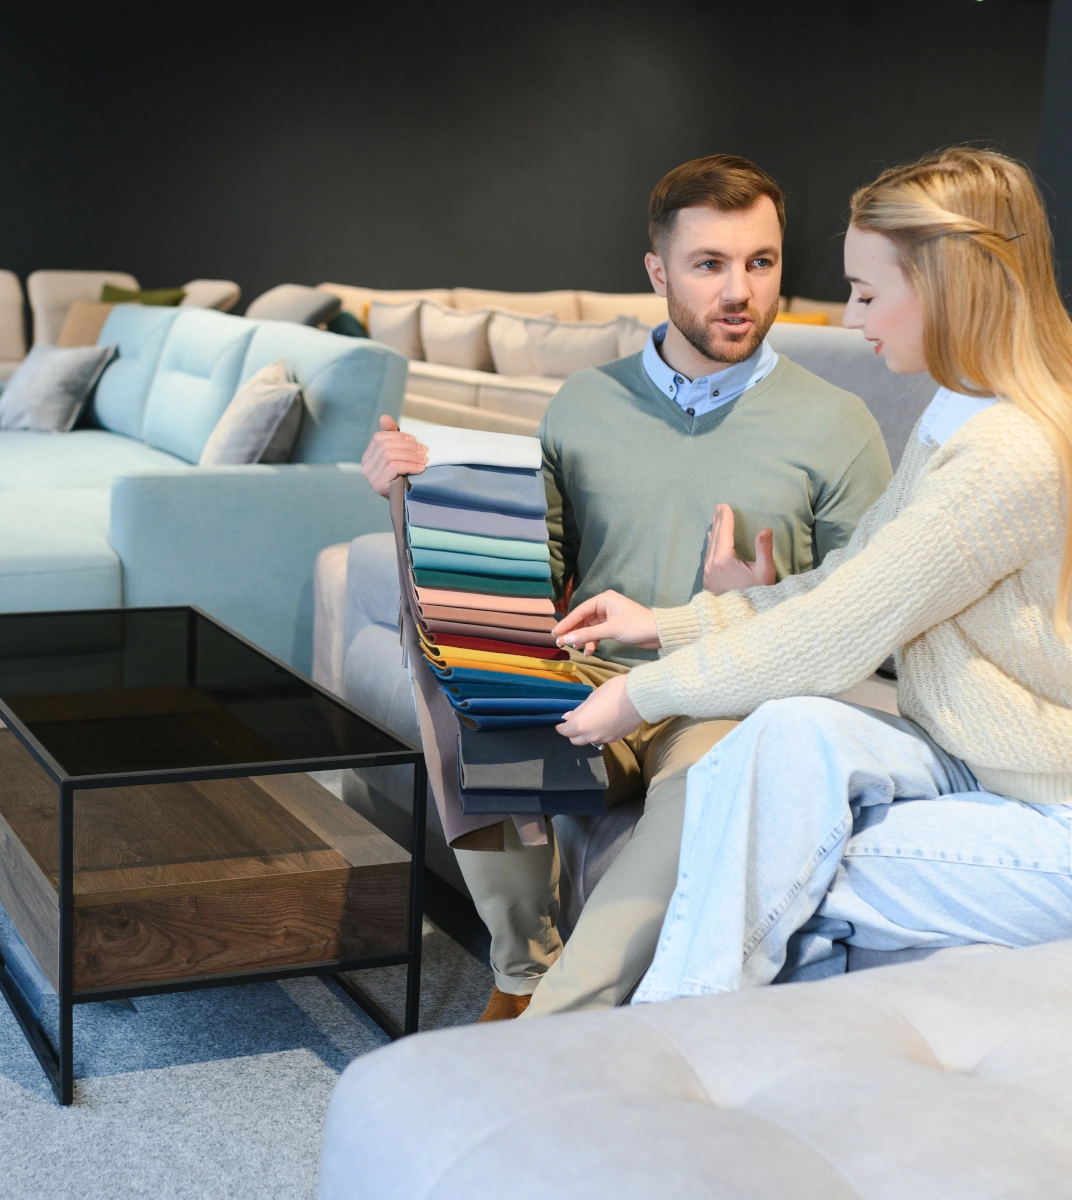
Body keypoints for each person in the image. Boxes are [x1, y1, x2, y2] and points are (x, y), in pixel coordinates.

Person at [362, 155, 894, 1019]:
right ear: (657, 273)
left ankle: (551, 1025)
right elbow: (531, 571)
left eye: (761, 263)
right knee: (435, 646)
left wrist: (757, 597)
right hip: (593, 689)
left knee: (719, 778)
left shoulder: (836, 424)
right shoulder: (584, 403)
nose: (740, 291)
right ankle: (521, 966)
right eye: (709, 264)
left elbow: (874, 610)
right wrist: (413, 492)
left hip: (728, 696)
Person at [550, 147, 1072, 1005]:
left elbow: (840, 630)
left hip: (1038, 806)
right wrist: (664, 625)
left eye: (867, 292)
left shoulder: (1007, 456)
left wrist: (644, 693)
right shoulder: (959, 416)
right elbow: (838, 584)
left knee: (755, 856)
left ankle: (654, 1043)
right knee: (786, 739)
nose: (849, 315)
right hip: (971, 757)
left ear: (945, 287)